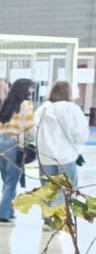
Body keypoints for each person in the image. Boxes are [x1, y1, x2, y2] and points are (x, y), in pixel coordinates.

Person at [33, 80, 85, 229]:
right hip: (65, 156)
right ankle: (56, 216)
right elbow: (80, 134)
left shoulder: (42, 109)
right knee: (67, 188)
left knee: (47, 188)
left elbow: (33, 131)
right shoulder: (72, 109)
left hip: (45, 156)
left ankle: (47, 218)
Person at [0, 78, 38, 227]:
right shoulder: (27, 105)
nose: (33, 91)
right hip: (15, 143)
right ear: (25, 89)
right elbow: (29, 127)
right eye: (31, 88)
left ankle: (9, 211)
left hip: (0, 143)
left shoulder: (7, 104)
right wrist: (31, 142)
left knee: (7, 181)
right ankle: (2, 215)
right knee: (11, 183)